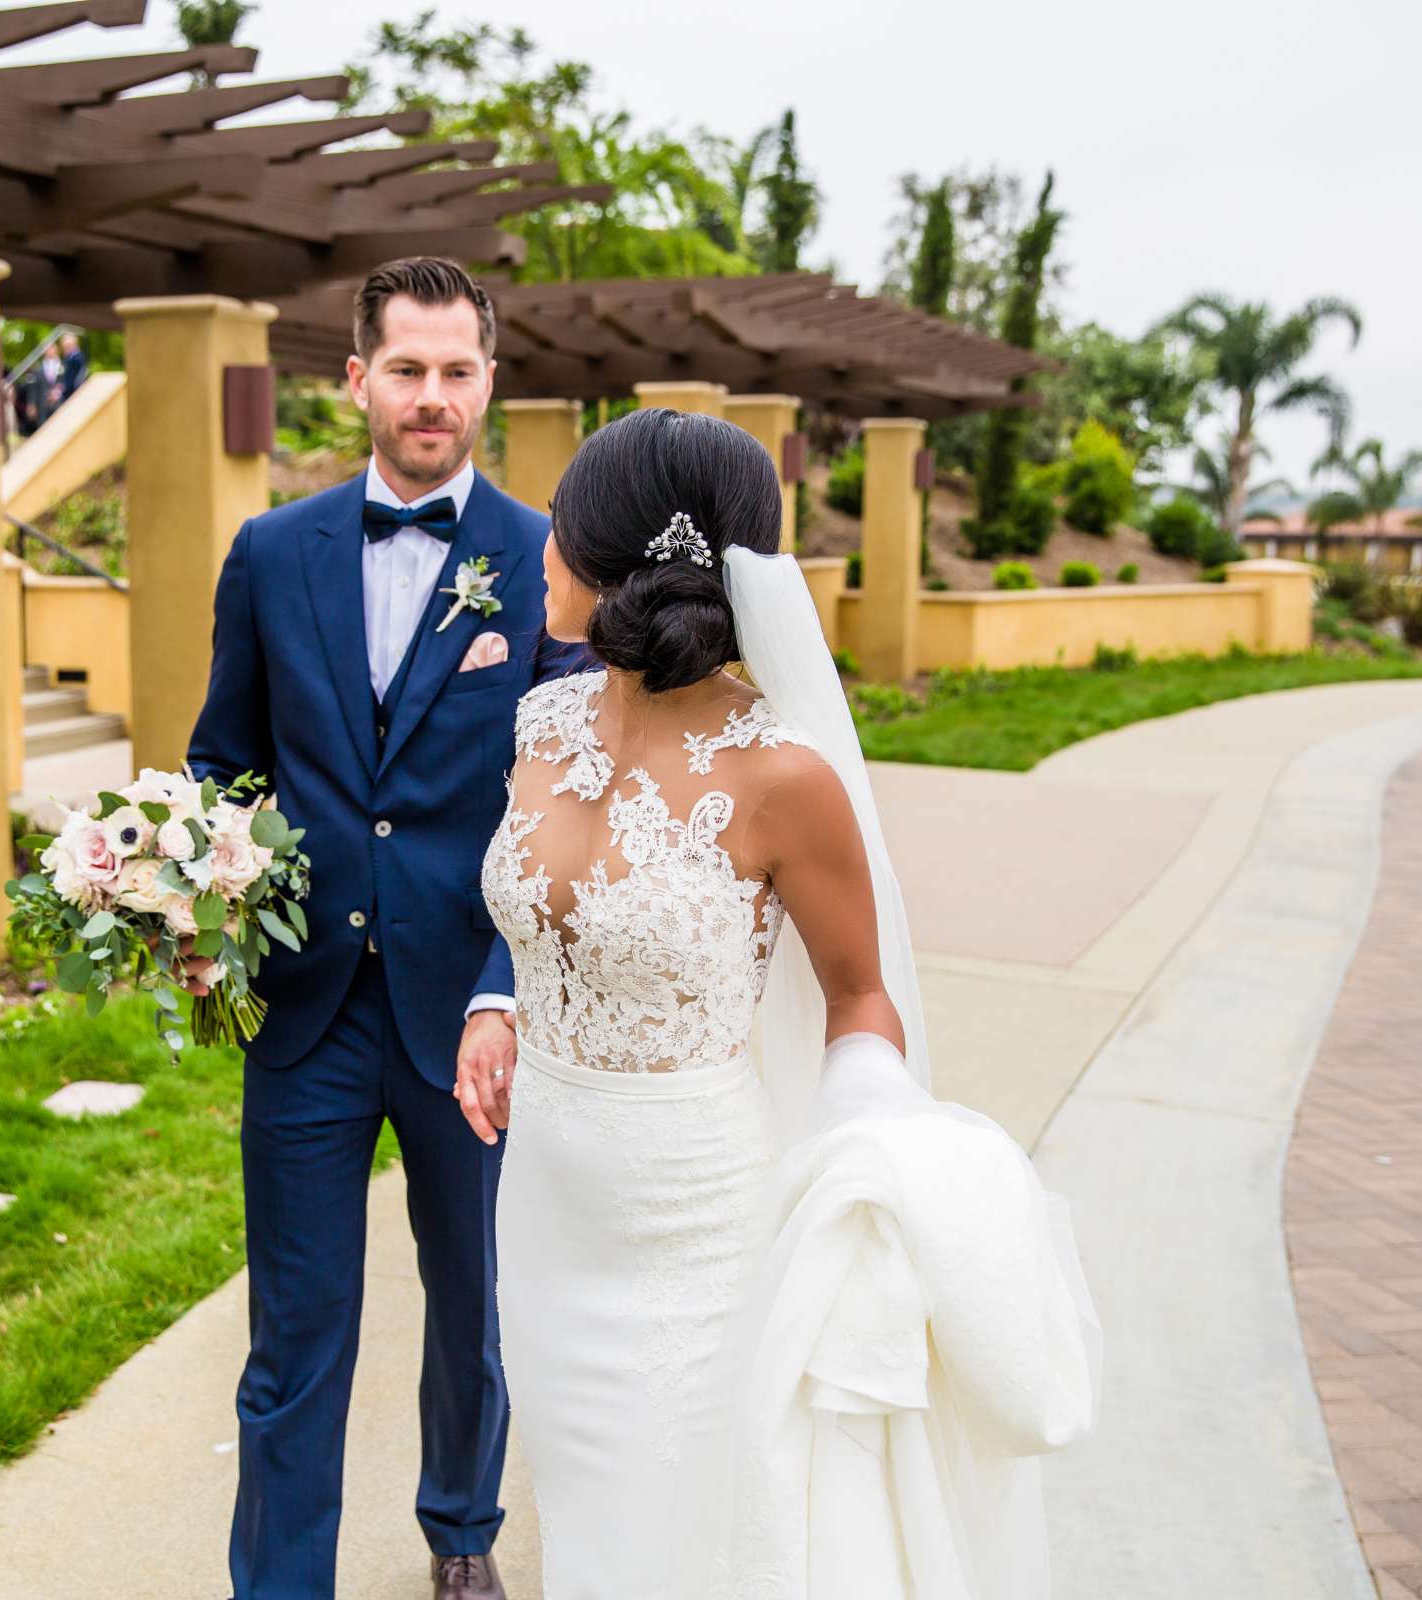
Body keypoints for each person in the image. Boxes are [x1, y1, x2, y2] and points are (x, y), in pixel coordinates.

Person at [477, 408, 1104, 1597]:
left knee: (687, 1534)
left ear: (618, 550)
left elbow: (863, 990)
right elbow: (554, 922)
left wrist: (868, 1138)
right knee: (588, 1522)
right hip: (548, 1207)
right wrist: (506, 1008)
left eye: (560, 522)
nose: (540, 548)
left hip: (695, 1231)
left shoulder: (783, 777)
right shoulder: (541, 722)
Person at [188, 257, 580, 1600]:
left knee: (471, 1300)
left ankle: (461, 1535)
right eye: (405, 369)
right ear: (355, 378)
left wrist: (505, 988)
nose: (432, 397)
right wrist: (189, 896)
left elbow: (563, 801)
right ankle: (280, 1583)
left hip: (469, 1006)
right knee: (295, 1328)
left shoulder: (541, 562)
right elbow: (225, 763)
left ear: (488, 381)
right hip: (301, 1010)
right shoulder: (270, 553)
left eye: (457, 371)